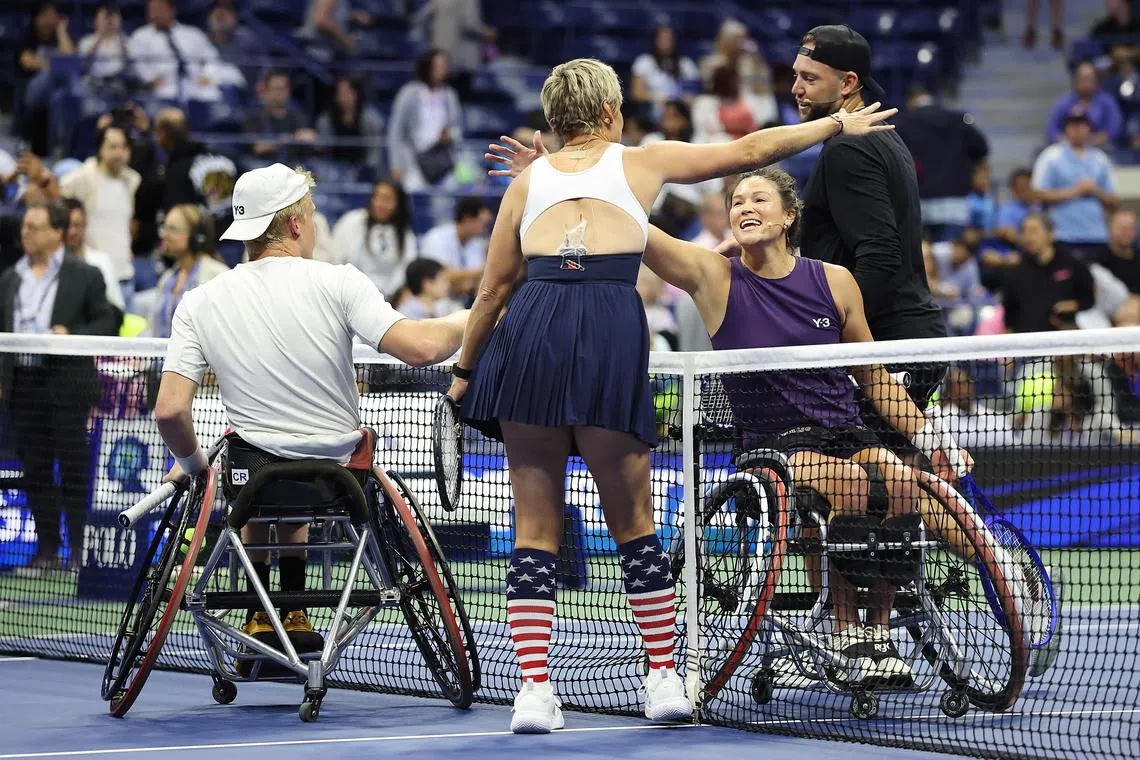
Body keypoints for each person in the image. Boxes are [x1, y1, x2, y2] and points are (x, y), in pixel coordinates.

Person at [456, 56, 894, 733]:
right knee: (632, 521)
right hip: (606, 325)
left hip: (531, 332)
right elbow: (749, 151)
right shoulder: (640, 162)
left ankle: (534, 692)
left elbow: (491, 292)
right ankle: (662, 677)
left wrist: (463, 370)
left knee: (533, 529)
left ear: (553, 119)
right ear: (608, 114)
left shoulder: (528, 183)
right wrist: (837, 122)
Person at [641, 167, 972, 687]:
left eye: (759, 199)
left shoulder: (834, 281)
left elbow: (875, 379)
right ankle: (846, 632)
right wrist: (570, 182)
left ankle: (879, 634)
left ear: (789, 215)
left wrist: (934, 440)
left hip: (845, 432)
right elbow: (639, 233)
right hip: (771, 447)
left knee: (903, 481)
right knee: (855, 485)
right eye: (737, 201)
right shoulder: (716, 278)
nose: (745, 207)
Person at [153, 163, 468, 667]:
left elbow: (169, 411)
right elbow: (423, 349)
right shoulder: (339, 282)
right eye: (313, 214)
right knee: (273, 451)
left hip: (252, 478)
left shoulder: (199, 302)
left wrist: (193, 464)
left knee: (246, 449)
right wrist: (475, 316)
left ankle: (264, 614)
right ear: (296, 224)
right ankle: (290, 615)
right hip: (338, 479)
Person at [783, 25, 949, 448]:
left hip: (887, 348)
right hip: (903, 342)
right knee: (895, 490)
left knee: (863, 490)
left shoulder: (849, 149)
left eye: (809, 79)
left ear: (848, 83)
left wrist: (832, 331)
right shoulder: (879, 137)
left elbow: (879, 255)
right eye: (796, 75)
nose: (796, 89)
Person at [0, 201, 118, 573]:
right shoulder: (10, 278)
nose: (25, 233)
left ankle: (80, 551)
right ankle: (47, 549)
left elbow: (107, 325)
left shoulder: (85, 275)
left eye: (34, 227)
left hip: (67, 386)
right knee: (34, 470)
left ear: (57, 232)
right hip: (23, 386)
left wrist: (71, 335)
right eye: (24, 227)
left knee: (73, 470)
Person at [149, 204, 229, 338]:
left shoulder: (218, 276)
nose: (164, 234)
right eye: (164, 227)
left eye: (172, 229)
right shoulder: (167, 279)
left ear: (196, 236)